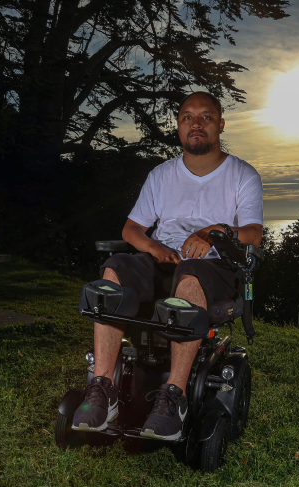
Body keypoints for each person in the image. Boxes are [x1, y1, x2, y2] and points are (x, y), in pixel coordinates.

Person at [72, 91, 263, 441]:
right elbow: (131, 229)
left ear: (220, 124)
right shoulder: (162, 175)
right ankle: (104, 388)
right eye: (187, 117)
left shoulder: (242, 175)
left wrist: (213, 232)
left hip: (215, 268)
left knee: (190, 273)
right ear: (178, 127)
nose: (196, 123)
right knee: (115, 267)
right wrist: (154, 248)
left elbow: (253, 234)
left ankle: (174, 398)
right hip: (165, 261)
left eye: (205, 116)